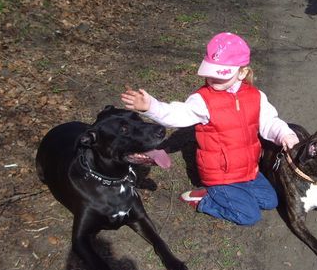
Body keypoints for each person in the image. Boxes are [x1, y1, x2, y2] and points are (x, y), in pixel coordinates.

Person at [121, 32, 299, 226]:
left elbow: (269, 121)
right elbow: (177, 114)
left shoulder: (256, 96)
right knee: (250, 216)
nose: (212, 79)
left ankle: (235, 194)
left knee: (270, 201)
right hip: (220, 175)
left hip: (248, 169)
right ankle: (204, 200)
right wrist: (151, 107)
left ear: (242, 72)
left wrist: (284, 133)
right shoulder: (203, 100)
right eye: (210, 73)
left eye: (220, 75)